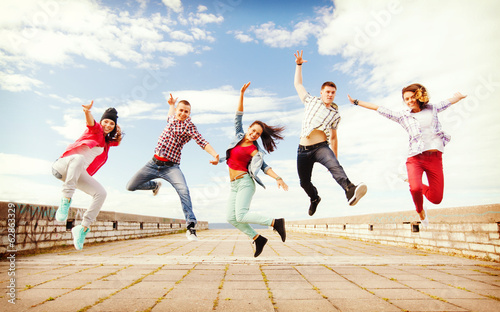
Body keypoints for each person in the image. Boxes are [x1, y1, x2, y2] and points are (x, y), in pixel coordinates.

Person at [347, 83, 467, 227]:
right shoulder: (403, 116)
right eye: (406, 99)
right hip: (415, 158)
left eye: (411, 97)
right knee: (415, 189)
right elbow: (378, 108)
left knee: (436, 199)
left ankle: (409, 180)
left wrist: (458, 98)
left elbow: (447, 103)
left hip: (435, 159)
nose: (409, 101)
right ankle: (420, 211)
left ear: (418, 96)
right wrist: (356, 102)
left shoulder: (432, 108)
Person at [126, 94, 219, 241]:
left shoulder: (189, 126)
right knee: (130, 186)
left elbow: (202, 141)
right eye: (180, 110)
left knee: (183, 190)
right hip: (153, 163)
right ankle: (154, 185)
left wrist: (215, 155)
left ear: (189, 114)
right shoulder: (171, 118)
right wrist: (171, 104)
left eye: (186, 112)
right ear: (177, 110)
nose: (182, 114)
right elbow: (170, 114)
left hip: (171, 167)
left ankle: (190, 227)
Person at [294, 50, 367, 216]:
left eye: (333, 92)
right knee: (304, 182)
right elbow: (298, 85)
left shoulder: (336, 114)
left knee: (335, 167)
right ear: (321, 92)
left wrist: (334, 157)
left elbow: (333, 137)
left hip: (321, 147)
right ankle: (314, 198)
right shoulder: (310, 101)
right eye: (327, 92)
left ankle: (350, 190)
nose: (330, 94)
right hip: (303, 150)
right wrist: (298, 66)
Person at [218, 82, 287, 257]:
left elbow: (265, 167)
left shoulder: (255, 151)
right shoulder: (238, 137)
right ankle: (257, 238)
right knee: (230, 218)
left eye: (257, 133)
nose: (254, 134)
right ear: (249, 128)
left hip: (245, 183)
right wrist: (241, 94)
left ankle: (275, 223)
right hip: (233, 185)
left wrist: (278, 177)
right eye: (253, 130)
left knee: (241, 215)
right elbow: (238, 117)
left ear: (259, 136)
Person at [52, 101, 122, 250]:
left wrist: (118, 133)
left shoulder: (106, 143)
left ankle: (82, 228)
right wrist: (87, 112)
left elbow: (116, 143)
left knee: (101, 193)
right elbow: (91, 123)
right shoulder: (95, 130)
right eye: (106, 121)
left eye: (111, 124)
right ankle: (66, 200)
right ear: (101, 121)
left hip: (76, 173)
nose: (108, 125)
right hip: (63, 165)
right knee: (79, 158)